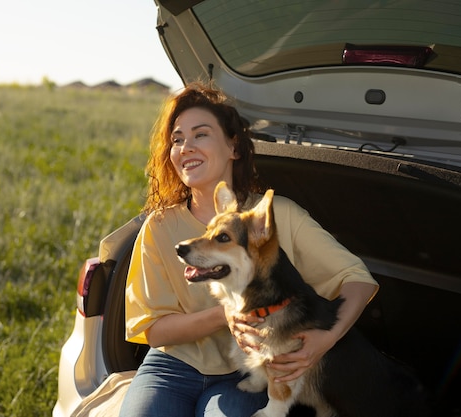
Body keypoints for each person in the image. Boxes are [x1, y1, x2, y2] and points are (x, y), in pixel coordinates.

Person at [118, 82, 378, 417]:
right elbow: (154, 331)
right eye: (177, 139)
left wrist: (324, 341)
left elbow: (358, 280)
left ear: (234, 147)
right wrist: (224, 314)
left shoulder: (276, 214)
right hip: (172, 368)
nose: (185, 147)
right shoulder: (159, 226)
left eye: (200, 135)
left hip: (249, 372)